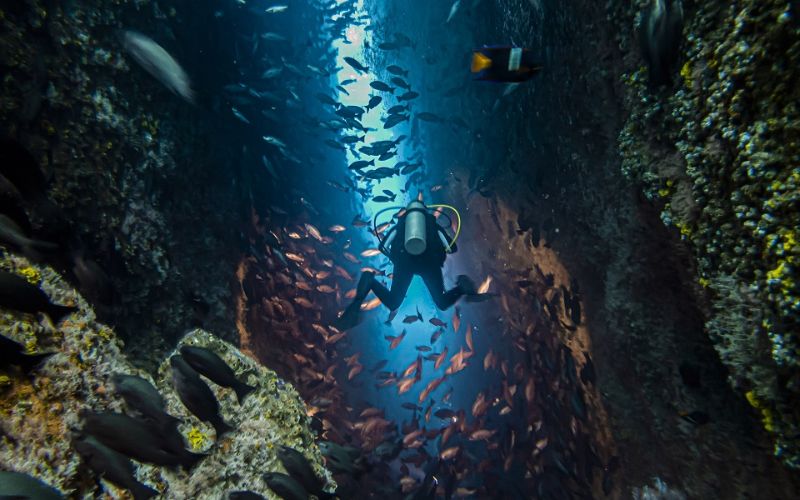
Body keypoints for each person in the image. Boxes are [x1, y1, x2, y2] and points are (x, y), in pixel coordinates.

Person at [334, 199, 477, 331]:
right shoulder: (432, 224)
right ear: (425, 212)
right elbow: (452, 248)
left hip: (405, 264)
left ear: (407, 213)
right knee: (441, 302)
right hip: (429, 264)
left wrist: (397, 258)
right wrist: (437, 249)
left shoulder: (400, 225)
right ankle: (463, 287)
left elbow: (382, 247)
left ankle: (367, 283)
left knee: (393, 302)